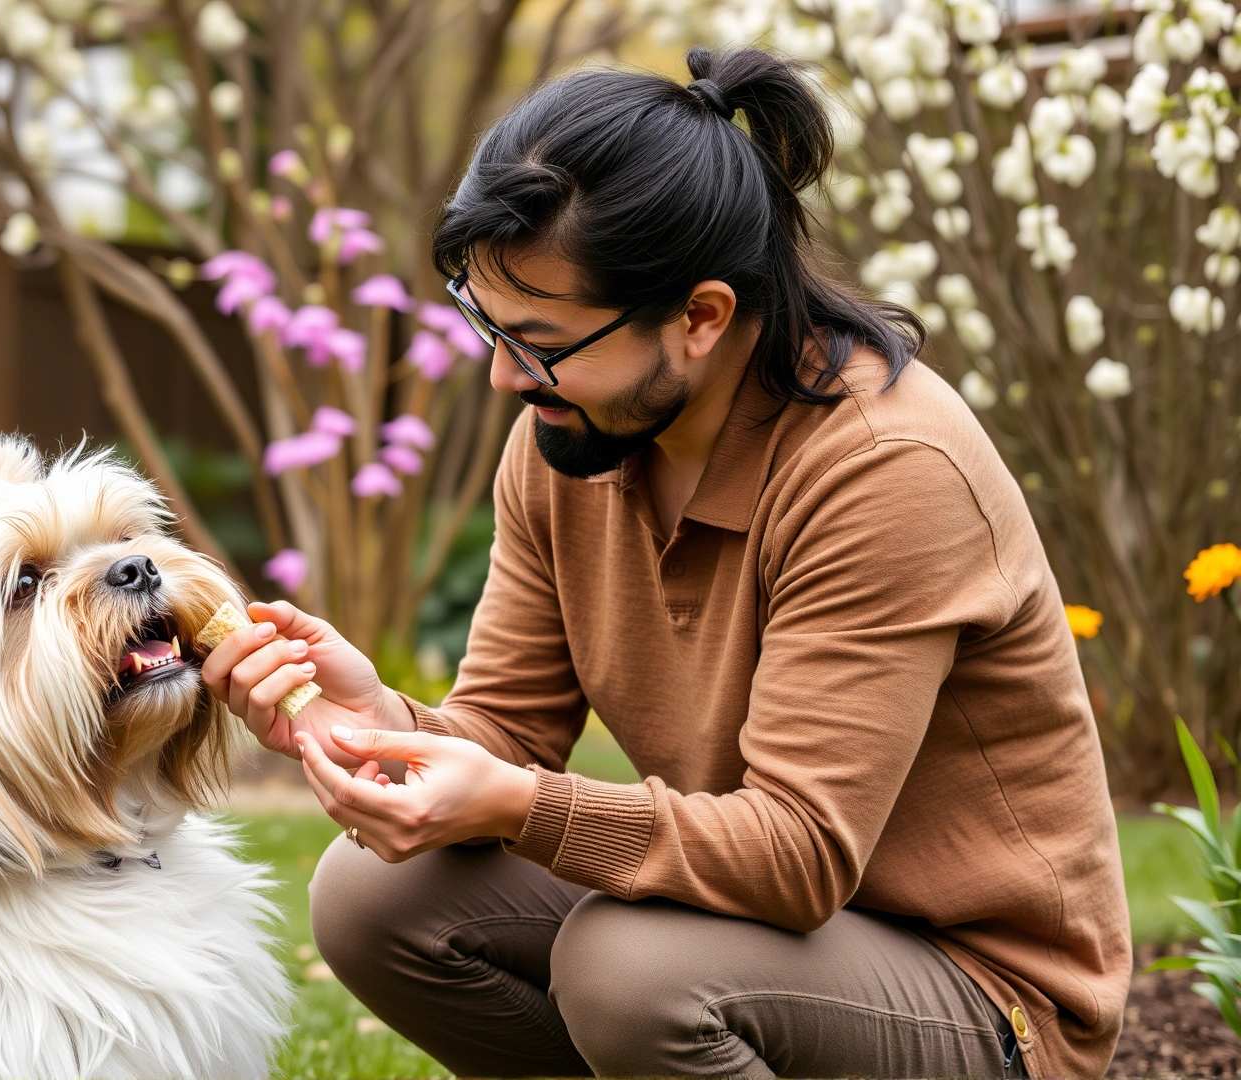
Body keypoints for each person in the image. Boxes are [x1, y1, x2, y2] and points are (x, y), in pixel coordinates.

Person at [200, 46, 1128, 1080]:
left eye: (543, 341)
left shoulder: (884, 470)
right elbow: (507, 736)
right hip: (749, 933)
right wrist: (382, 727)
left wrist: (516, 804)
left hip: (980, 992)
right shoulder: (571, 437)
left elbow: (799, 853)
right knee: (373, 898)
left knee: (632, 971)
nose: (506, 376)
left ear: (700, 318)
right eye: (486, 323)